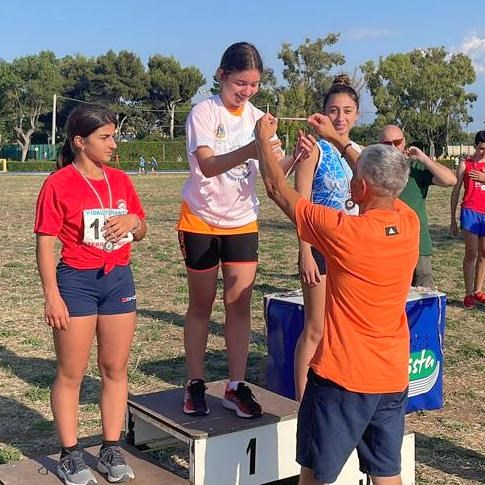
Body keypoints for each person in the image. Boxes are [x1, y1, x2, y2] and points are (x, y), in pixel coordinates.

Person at [255, 112, 419, 485]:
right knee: (386, 473)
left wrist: (262, 141)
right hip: (391, 377)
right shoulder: (408, 222)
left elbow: (277, 189)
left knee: (315, 475)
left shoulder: (346, 233)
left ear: (359, 187)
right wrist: (338, 139)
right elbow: (380, 180)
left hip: (342, 378)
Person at [178, 41, 311, 418]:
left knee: (239, 306)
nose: (247, 91)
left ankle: (236, 386)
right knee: (201, 305)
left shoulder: (258, 118)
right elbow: (206, 165)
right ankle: (195, 382)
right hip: (200, 219)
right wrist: (254, 145)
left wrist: (292, 158)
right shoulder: (204, 112)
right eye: (240, 83)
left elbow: (270, 173)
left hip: (242, 222)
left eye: (253, 85)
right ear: (221, 75)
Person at [34, 105, 147, 485]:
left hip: (118, 281)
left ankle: (110, 447)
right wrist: (52, 294)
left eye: (114, 135)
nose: (114, 144)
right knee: (71, 373)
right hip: (77, 283)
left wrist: (134, 222)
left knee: (115, 369)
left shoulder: (121, 180)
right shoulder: (58, 183)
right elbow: (45, 243)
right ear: (80, 142)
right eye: (106, 137)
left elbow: (142, 227)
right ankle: (69, 454)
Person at [293, 74, 361, 402]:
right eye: (334, 110)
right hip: (320, 248)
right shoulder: (313, 150)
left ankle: (339, 393)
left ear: (357, 115)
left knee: (346, 328)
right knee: (316, 327)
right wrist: (304, 251)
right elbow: (301, 206)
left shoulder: (358, 153)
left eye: (348, 111)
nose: (340, 118)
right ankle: (304, 402)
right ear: (323, 112)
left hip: (353, 252)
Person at [379, 125, 456, 288]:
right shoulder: (373, 170)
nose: (392, 147)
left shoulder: (416, 168)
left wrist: (423, 158)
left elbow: (450, 180)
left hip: (417, 247)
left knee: (423, 298)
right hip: (385, 248)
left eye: (397, 142)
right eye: (387, 143)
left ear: (404, 142)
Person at [450, 130, 485, 309]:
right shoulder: (466, 164)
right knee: (471, 253)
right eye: (481, 149)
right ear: (475, 146)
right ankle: (469, 293)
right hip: (470, 211)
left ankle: (479, 290)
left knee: (484, 253)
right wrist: (453, 219)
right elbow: (455, 191)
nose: (483, 152)